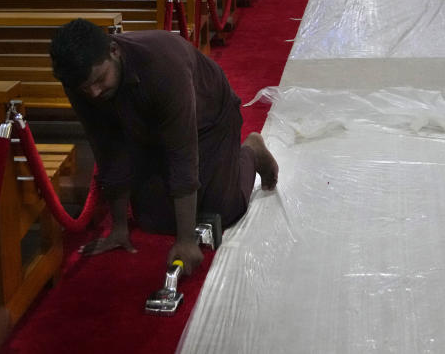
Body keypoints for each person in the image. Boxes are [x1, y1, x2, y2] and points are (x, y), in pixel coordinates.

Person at [49, 19, 278, 274]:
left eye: (100, 79)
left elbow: (183, 152)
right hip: (146, 129)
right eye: (85, 88)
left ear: (114, 51)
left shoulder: (162, 66)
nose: (94, 92)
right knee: (151, 220)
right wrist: (119, 228)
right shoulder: (78, 80)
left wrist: (186, 240)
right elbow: (106, 148)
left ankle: (250, 152)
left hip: (208, 120)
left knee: (223, 209)